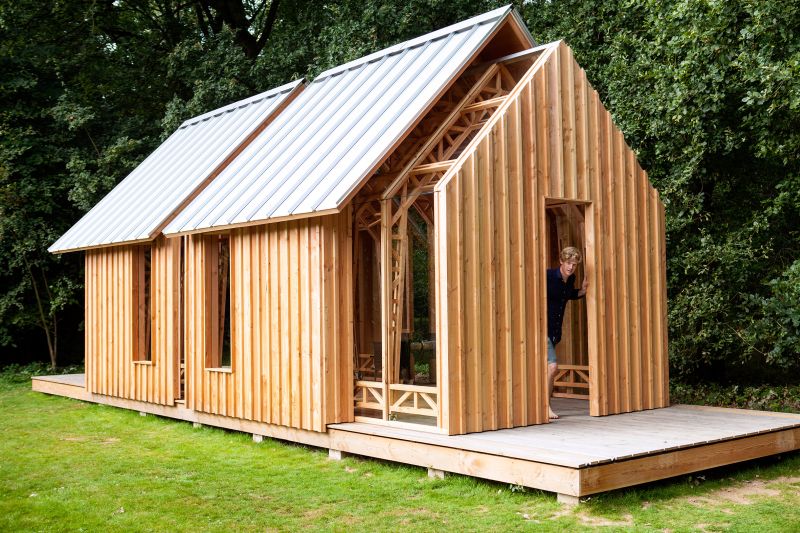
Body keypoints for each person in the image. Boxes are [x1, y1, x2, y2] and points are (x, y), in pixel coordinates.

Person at [546, 246, 588, 420]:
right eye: (568, 263)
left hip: (555, 331)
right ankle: (545, 406)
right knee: (552, 366)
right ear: (561, 261)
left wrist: (583, 291)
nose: (571, 267)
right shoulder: (548, 276)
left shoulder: (570, 279)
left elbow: (568, 295)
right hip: (542, 329)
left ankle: (543, 403)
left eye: (574, 264)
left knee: (545, 369)